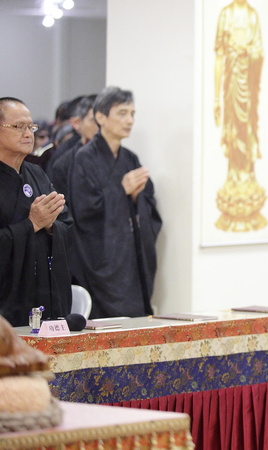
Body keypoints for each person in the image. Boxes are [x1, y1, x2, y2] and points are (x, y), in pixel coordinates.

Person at [70, 87, 162, 318]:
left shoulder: (130, 158)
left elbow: (148, 206)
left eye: (132, 113)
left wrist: (134, 197)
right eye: (122, 113)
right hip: (101, 260)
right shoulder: (84, 158)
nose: (129, 120)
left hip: (131, 257)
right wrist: (121, 190)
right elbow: (84, 211)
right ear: (101, 117)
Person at [0, 97, 72, 326]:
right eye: (19, 127)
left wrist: (51, 225)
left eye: (31, 127)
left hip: (42, 293)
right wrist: (31, 224)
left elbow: (66, 224)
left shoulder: (37, 173)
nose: (28, 133)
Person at [213, 0, 266, 231]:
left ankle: (247, 177)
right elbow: (218, 58)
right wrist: (216, 98)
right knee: (234, 131)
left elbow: (260, 53)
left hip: (249, 85)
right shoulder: (226, 14)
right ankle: (235, 178)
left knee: (248, 129)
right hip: (231, 81)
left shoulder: (253, 15)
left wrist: (249, 52)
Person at [46, 94, 98, 199]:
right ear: (76, 123)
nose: (102, 126)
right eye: (95, 120)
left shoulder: (124, 156)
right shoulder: (64, 163)